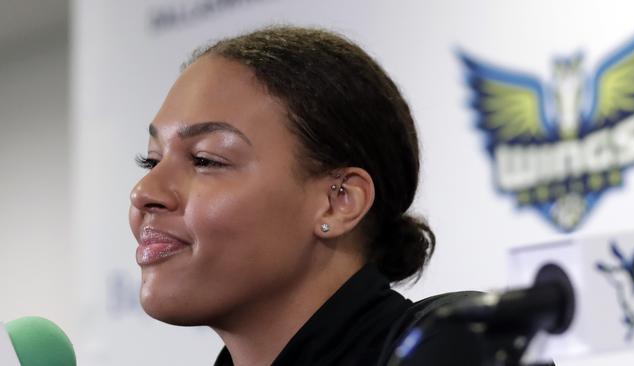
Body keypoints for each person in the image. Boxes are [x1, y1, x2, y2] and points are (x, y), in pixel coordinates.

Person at [128, 25, 477, 366]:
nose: (144, 192)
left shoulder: (460, 344)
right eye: (152, 160)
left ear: (338, 202)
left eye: (205, 160)